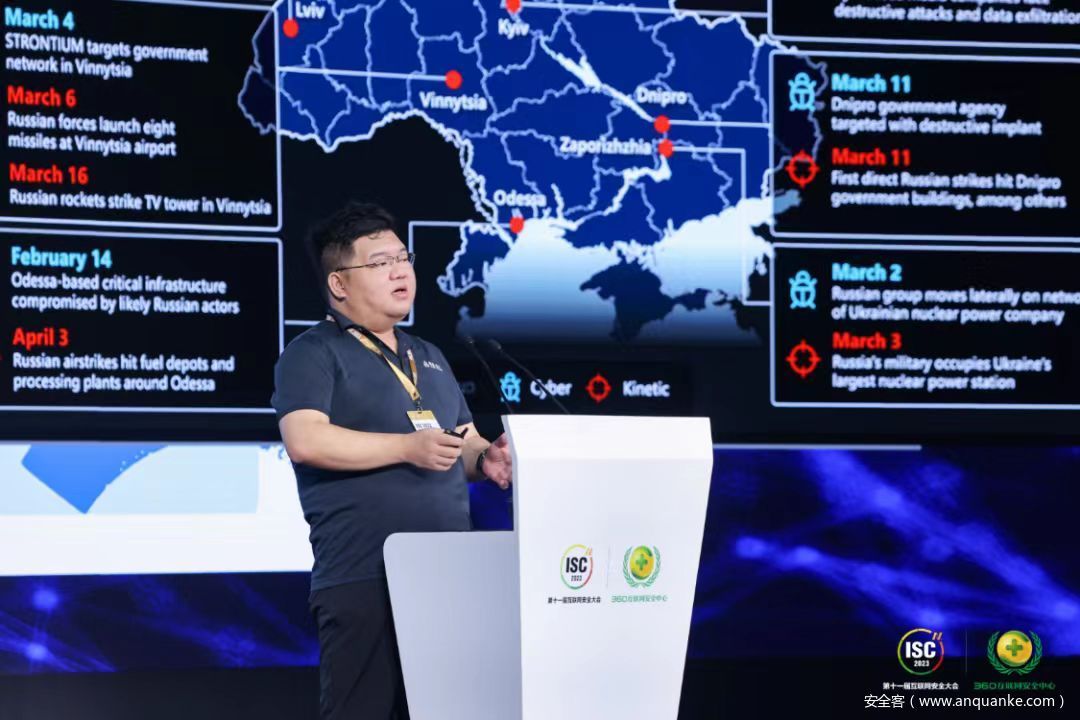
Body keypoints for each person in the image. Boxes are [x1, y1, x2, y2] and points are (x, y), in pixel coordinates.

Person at [271, 201, 512, 720]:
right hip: (365, 577)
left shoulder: (428, 355)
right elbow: (306, 440)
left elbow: (462, 441)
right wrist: (405, 447)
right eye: (380, 263)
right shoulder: (313, 352)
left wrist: (486, 458)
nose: (400, 271)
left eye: (403, 258)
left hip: (447, 576)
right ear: (339, 283)